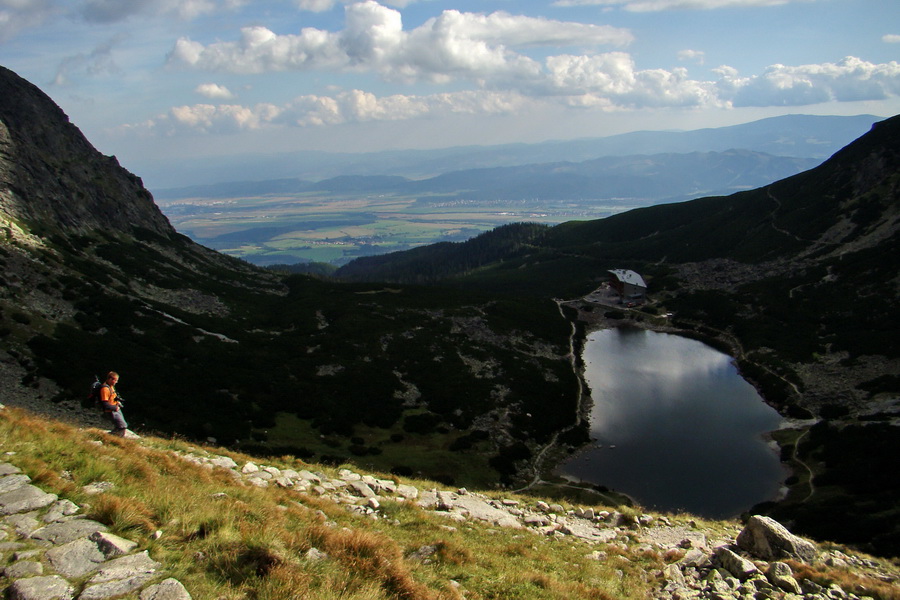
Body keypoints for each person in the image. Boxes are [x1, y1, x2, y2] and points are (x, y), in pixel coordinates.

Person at [99, 371, 128, 437]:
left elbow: (113, 397)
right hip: (111, 411)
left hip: (115, 409)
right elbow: (105, 403)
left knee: (122, 426)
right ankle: (111, 437)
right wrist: (115, 408)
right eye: (115, 380)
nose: (116, 382)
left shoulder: (111, 386)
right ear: (110, 379)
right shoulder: (105, 389)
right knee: (122, 426)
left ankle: (112, 437)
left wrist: (117, 402)